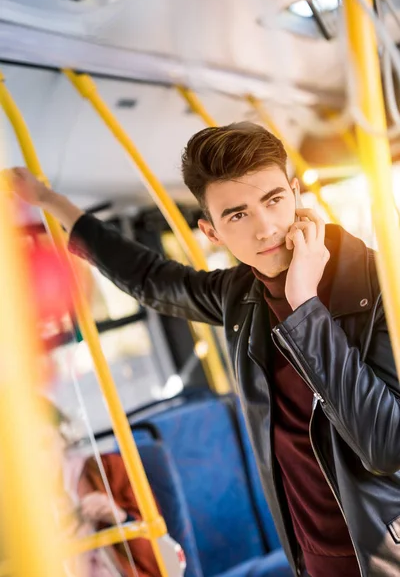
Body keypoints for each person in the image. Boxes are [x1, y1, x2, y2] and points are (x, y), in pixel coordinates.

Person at [5, 121, 400, 577]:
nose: (265, 227)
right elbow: (150, 279)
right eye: (238, 215)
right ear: (211, 232)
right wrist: (50, 201)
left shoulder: (380, 284)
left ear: (295, 194)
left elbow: (386, 445)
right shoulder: (240, 295)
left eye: (273, 200)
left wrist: (305, 305)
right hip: (313, 558)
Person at [40, 399, 163, 577]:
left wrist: (120, 518)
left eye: (44, 444)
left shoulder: (109, 471)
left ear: (62, 437)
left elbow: (161, 555)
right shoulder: (17, 515)